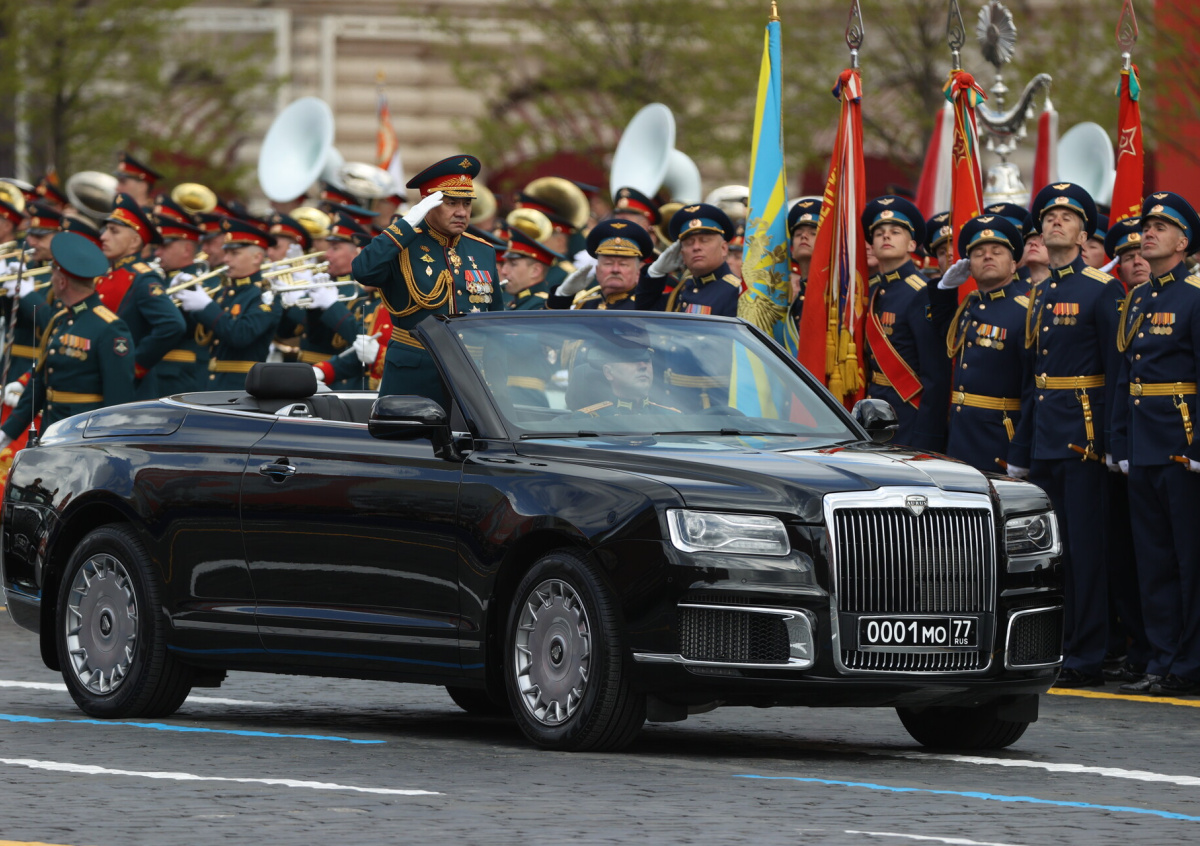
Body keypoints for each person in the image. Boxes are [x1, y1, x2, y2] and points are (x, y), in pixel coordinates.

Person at [1008, 182, 1123, 688]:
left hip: (1084, 438)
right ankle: (1059, 643)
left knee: (1086, 550)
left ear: (1083, 234)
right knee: (1051, 552)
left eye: (1067, 217)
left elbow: (1117, 373)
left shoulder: (1102, 289)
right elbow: (1033, 379)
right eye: (1049, 216)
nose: (1055, 221)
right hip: (1046, 438)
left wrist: (1114, 441)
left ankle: (1088, 652)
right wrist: (1021, 449)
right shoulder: (1040, 293)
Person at [1110, 193, 1200, 696]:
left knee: (1189, 561)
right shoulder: (1140, 298)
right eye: (1147, 226)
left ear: (1183, 242)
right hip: (1144, 444)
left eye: (1161, 227)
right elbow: (1127, 376)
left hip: (1181, 446)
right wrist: (1120, 440)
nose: (1148, 233)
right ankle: (1162, 661)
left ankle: (1190, 663)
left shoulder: (1194, 296)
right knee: (1154, 561)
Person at [350, 155, 504, 407]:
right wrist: (407, 224)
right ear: (429, 205)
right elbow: (363, 271)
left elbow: (495, 321)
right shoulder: (402, 244)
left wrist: (499, 384)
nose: (461, 212)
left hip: (470, 374)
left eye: (466, 203)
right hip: (415, 373)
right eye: (451, 203)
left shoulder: (482, 250)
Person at [0, 232, 135, 449]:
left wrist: (106, 449)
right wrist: (8, 432)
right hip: (52, 432)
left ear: (62, 282)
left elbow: (118, 403)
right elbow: (40, 382)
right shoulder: (60, 319)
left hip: (84, 439)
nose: (50, 280)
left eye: (53, 273)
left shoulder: (109, 328)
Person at [1098, 213, 1153, 685]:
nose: (1136, 261)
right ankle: (1147, 651)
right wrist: (1115, 444)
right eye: (1127, 255)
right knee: (1134, 554)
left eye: (1141, 252)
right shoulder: (1128, 303)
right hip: (1130, 444)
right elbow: (1119, 381)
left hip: (1168, 443)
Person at [932, 215, 1030, 474]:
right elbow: (938, 333)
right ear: (969, 267)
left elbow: (1031, 391)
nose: (987, 257)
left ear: (1014, 265)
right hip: (960, 435)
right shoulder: (968, 307)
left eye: (996, 252)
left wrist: (1021, 451)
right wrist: (944, 288)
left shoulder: (1026, 312)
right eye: (978, 254)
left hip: (1000, 436)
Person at [860, 195, 948, 453]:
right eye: (879, 233)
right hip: (873, 411)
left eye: (895, 232)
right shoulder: (873, 290)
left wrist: (927, 436)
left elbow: (935, 375)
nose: (886, 236)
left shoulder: (922, 292)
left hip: (908, 414)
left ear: (911, 244)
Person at [176, 218, 282, 390]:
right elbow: (195, 334)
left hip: (242, 386)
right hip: (209, 382)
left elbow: (241, 335)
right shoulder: (223, 291)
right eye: (226, 253)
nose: (226, 259)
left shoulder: (265, 295)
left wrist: (205, 306)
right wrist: (182, 303)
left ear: (257, 258)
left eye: (234, 253)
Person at [98, 193, 186, 399]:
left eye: (114, 231)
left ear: (134, 241)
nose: (103, 237)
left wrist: (135, 364)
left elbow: (173, 325)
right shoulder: (106, 274)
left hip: (129, 389)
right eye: (106, 229)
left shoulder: (143, 279)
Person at [282, 213, 368, 389]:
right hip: (310, 371)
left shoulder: (362, 289)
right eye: (329, 248)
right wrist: (290, 300)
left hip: (339, 381)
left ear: (356, 252)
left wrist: (331, 306)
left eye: (335, 248)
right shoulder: (325, 282)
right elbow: (292, 332)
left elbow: (358, 338)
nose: (327, 254)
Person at [636, 203, 740, 316]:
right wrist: (655, 272)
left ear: (724, 248)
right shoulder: (684, 288)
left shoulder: (736, 292)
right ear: (682, 253)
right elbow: (645, 314)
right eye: (689, 243)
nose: (696, 247)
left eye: (704, 240)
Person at [152, 196, 211, 395]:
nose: (157, 252)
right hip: (155, 371)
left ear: (187, 249)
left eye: (164, 246)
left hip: (180, 376)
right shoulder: (157, 279)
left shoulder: (200, 283)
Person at [549, 218, 652, 311]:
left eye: (623, 264)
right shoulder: (585, 306)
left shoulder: (646, 307)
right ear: (597, 270)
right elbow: (553, 324)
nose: (615, 269)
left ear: (638, 271)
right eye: (608, 263)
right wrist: (562, 296)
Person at [573, 339, 680, 418]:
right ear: (608, 372)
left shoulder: (674, 418)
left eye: (647, 360)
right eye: (632, 360)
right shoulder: (585, 421)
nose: (643, 366)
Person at [503, 227, 561, 310]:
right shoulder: (518, 302)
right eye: (504, 263)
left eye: (513, 264)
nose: (504, 271)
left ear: (535, 271)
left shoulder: (542, 305)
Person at [924, 211, 953, 282]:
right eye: (942, 252)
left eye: (954, 247)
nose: (948, 253)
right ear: (939, 264)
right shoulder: (931, 289)